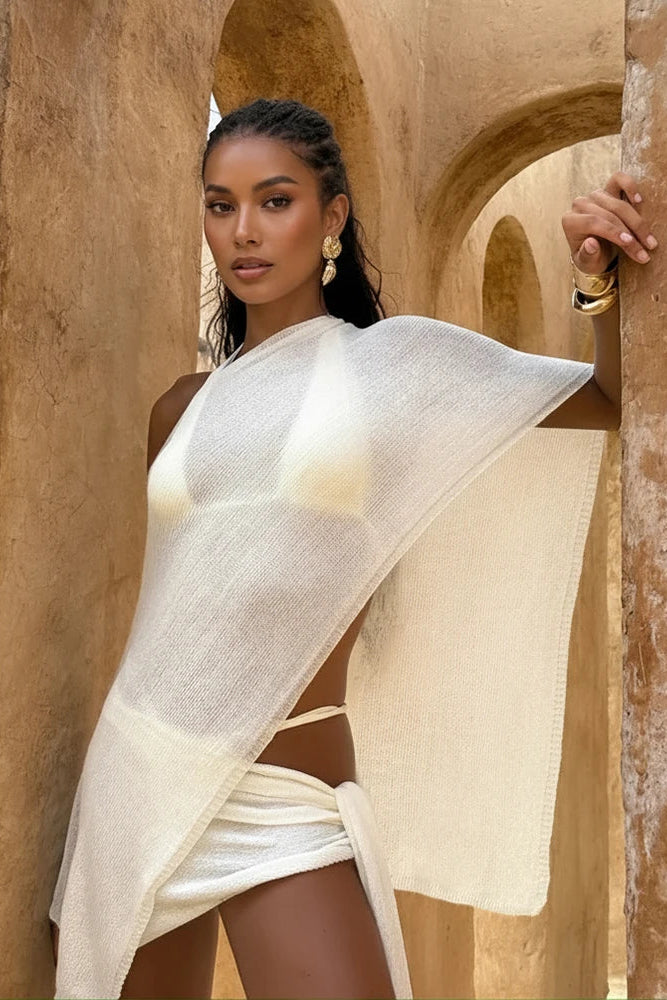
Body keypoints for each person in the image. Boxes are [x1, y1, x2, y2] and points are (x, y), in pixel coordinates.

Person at [49, 98, 656, 1000]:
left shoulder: (396, 372)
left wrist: (600, 282)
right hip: (143, 774)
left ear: (330, 216)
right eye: (221, 205)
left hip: (286, 796)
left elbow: (609, 399)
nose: (244, 231)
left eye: (275, 200)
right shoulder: (182, 408)